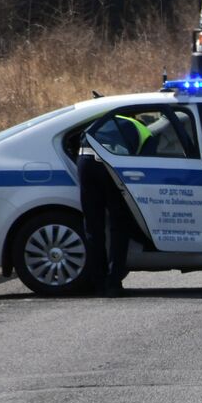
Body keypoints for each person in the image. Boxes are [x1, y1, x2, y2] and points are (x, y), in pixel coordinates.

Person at [78, 115, 148, 296]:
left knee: (93, 226)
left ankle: (98, 282)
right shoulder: (140, 128)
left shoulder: (98, 119)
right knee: (119, 223)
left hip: (85, 163)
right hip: (111, 165)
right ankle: (113, 282)